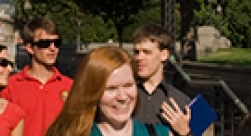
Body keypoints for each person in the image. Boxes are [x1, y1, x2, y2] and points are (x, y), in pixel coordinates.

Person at [45, 46, 182, 136]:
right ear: (93, 92)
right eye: (111, 89)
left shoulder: (161, 134)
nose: (122, 97)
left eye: (128, 85)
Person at [0, 18, 73, 136]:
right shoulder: (10, 86)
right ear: (29, 48)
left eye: (57, 43)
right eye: (45, 44)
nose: (52, 48)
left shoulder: (70, 86)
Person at [132, 24, 190, 125]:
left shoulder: (181, 102)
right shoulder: (124, 96)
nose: (139, 58)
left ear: (164, 55)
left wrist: (186, 133)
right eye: (136, 52)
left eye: (147, 52)